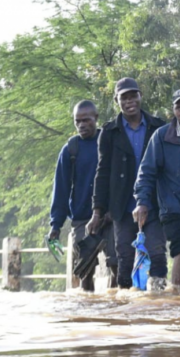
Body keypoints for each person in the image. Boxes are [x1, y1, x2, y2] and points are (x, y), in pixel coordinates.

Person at [88, 77, 168, 291]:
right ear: (117, 100)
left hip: (153, 204)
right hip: (122, 207)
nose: (130, 101)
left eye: (133, 95)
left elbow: (168, 168)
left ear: (141, 96)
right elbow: (102, 172)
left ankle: (162, 304)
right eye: (124, 97)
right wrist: (98, 211)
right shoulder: (109, 132)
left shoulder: (158, 127)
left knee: (157, 253)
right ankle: (127, 306)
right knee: (124, 258)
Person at [134, 88, 180, 292]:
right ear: (173, 110)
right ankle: (178, 302)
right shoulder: (162, 137)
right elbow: (146, 172)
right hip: (174, 209)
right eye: (178, 108)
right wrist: (142, 202)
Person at [47, 100, 117, 292]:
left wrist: (115, 209)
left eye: (86, 120)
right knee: (85, 271)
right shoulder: (70, 150)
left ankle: (116, 311)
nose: (82, 125)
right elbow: (61, 190)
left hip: (110, 218)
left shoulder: (111, 141)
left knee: (117, 265)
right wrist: (55, 225)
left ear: (96, 118)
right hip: (82, 219)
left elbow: (123, 179)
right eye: (77, 121)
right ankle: (88, 313)